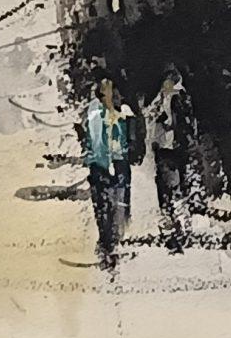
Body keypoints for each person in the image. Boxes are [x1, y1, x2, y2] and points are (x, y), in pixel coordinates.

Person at [78, 75, 135, 263]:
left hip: (119, 163)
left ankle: (114, 243)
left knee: (119, 202)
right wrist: (103, 160)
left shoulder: (124, 110)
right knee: (103, 204)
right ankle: (107, 243)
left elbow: (130, 135)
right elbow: (95, 139)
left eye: (110, 91)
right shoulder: (95, 111)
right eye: (104, 91)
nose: (109, 95)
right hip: (102, 164)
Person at [144, 68, 197, 248]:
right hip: (165, 147)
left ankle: (179, 225)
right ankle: (173, 224)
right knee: (167, 186)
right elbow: (149, 115)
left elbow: (179, 122)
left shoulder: (179, 98)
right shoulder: (162, 99)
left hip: (173, 147)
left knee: (173, 186)